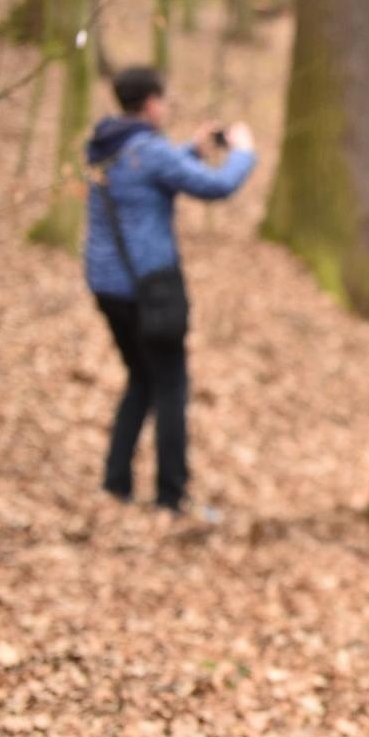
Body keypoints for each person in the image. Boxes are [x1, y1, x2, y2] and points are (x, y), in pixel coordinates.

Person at [83, 66, 256, 513]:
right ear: (152, 103)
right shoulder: (150, 151)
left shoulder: (106, 146)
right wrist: (242, 152)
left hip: (107, 286)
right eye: (164, 99)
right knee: (170, 388)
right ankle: (170, 495)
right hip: (151, 289)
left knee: (140, 378)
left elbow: (144, 177)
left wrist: (191, 151)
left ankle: (115, 482)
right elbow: (217, 187)